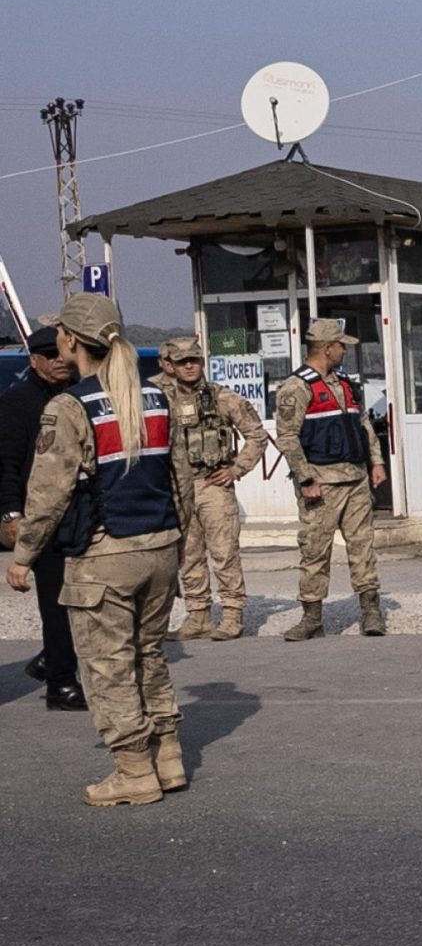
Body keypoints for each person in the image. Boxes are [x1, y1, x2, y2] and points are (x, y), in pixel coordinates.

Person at [6, 293, 195, 805]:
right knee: (148, 653)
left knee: (108, 665)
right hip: (159, 544)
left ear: (69, 340)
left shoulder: (68, 406)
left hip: (104, 554)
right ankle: (167, 755)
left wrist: (23, 556)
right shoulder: (156, 396)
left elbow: (47, 492)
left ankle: (132, 771)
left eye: (60, 333)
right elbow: (181, 481)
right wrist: (179, 542)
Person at [273, 318, 387, 640]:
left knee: (363, 547)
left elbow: (363, 426)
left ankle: (371, 611)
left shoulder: (345, 384)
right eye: (340, 345)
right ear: (327, 348)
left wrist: (375, 462)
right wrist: (306, 479)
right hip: (321, 485)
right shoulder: (296, 387)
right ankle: (312, 618)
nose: (343, 350)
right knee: (315, 551)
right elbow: (288, 438)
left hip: (355, 480)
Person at [159, 333, 269, 642]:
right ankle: (198, 615)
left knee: (224, 551)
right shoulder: (161, 400)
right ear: (171, 366)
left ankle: (232, 613)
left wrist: (236, 469)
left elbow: (257, 436)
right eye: (183, 362)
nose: (190, 366)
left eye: (194, 360)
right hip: (178, 488)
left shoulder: (223, 397)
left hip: (213, 485)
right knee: (188, 554)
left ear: (202, 362)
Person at [0, 322, 86, 710]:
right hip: (41, 516)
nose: (58, 361)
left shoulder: (76, 395)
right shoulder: (19, 403)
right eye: (49, 356)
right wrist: (11, 514)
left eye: (61, 353)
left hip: (78, 514)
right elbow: (6, 465)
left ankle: (53, 659)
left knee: (82, 598)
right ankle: (61, 685)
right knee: (55, 603)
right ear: (34, 360)